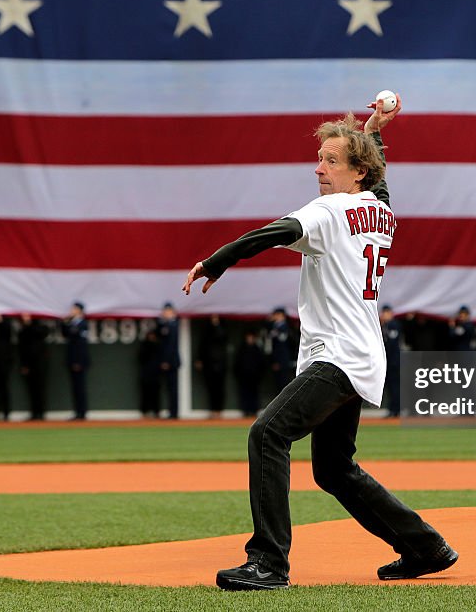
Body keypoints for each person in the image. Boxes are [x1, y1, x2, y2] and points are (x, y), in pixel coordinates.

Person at [183, 94, 457, 591]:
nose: (318, 168)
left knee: (267, 433)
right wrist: (373, 130)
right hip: (362, 355)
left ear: (357, 172)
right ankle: (424, 547)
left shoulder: (330, 210)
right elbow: (381, 179)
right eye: (319, 158)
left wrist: (219, 259)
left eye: (331, 160)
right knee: (333, 468)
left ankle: (268, 562)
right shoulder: (379, 208)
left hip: (337, 355)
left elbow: (275, 231)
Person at [17, 314, 50, 421]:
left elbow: (42, 333)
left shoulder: (40, 327)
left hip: (40, 363)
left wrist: (30, 324)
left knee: (40, 388)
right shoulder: (23, 330)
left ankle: (41, 412)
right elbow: (22, 348)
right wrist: (24, 365)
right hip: (29, 363)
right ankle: (34, 412)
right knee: (31, 389)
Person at [197, 314, 228, 418]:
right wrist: (199, 359)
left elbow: (222, 336)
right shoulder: (206, 331)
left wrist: (217, 325)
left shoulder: (222, 329)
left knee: (219, 388)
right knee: (211, 388)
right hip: (209, 364)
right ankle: (213, 410)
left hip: (220, 363)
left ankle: (219, 410)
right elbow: (202, 344)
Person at [62, 302, 90, 420]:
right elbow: (66, 334)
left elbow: (80, 345)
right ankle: (78, 412)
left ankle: (82, 412)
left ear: (79, 310)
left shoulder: (83, 324)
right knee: (75, 388)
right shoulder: (71, 323)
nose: (72, 310)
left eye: (74, 309)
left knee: (80, 388)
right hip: (72, 360)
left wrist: (78, 362)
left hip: (79, 361)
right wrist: (64, 323)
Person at [157, 302, 181, 419]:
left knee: (172, 388)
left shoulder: (173, 325)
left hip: (172, 362)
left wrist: (166, 361)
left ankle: (174, 412)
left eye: (167, 311)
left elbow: (170, 345)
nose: (164, 313)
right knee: (169, 388)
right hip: (169, 362)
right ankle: (172, 411)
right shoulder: (166, 325)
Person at [234, 330, 265, 417]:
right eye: (248, 337)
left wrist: (259, 375)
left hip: (255, 377)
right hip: (244, 377)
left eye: (251, 337)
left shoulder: (257, 349)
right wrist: (239, 375)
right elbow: (237, 364)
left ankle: (254, 411)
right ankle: (246, 411)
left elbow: (262, 364)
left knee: (254, 394)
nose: (250, 339)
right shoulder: (242, 349)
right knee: (245, 394)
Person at [380, 305, 402, 417]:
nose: (384, 315)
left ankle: (396, 409)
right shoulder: (384, 325)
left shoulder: (393, 325)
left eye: (386, 313)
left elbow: (392, 343)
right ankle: (393, 408)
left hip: (394, 361)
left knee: (394, 386)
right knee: (390, 386)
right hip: (388, 361)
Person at [268, 307, 295, 391]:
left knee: (283, 385)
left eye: (277, 315)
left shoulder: (284, 328)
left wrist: (278, 361)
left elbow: (282, 347)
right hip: (280, 361)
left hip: (283, 361)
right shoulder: (275, 327)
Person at [138, 328, 162, 418]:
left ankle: (157, 411)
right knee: (145, 393)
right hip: (146, 373)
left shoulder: (158, 346)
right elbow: (140, 358)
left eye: (153, 336)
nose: (151, 337)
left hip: (156, 374)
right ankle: (145, 411)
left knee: (155, 393)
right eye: (150, 336)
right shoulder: (144, 346)